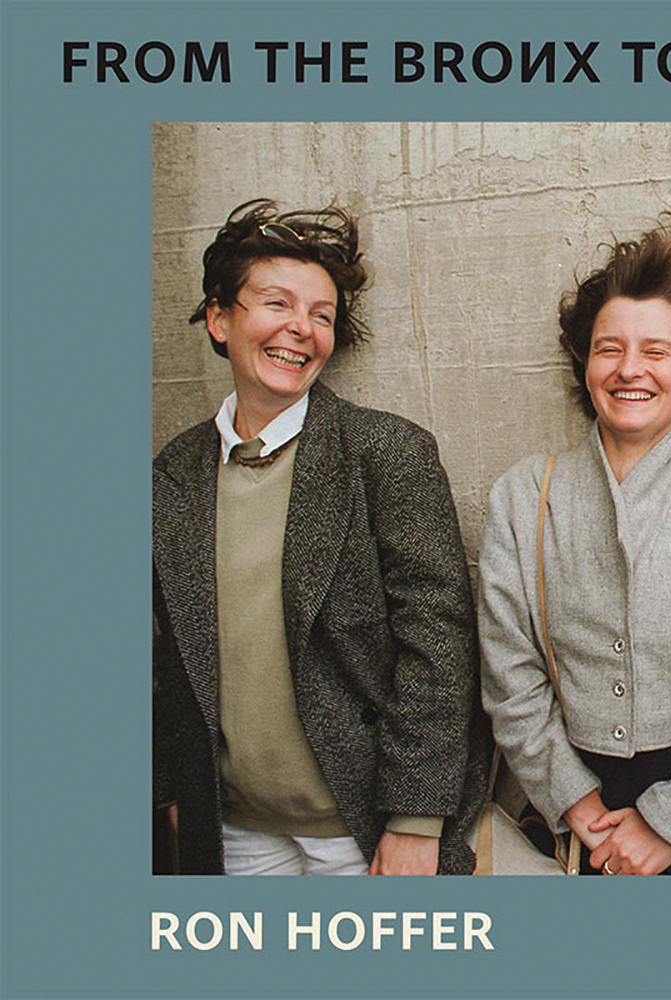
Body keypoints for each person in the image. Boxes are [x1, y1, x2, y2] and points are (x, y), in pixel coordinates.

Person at [152, 199, 487, 875]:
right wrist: (169, 794)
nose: (300, 329)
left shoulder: (386, 453)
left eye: (322, 314)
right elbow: (164, 661)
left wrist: (417, 817)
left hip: (362, 833)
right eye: (276, 303)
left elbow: (438, 643)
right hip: (233, 832)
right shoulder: (170, 474)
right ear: (219, 319)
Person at [477, 214, 671, 875]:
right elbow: (508, 671)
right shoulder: (523, 495)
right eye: (608, 348)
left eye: (656, 351)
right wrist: (574, 801)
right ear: (585, 365)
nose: (629, 369)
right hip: (568, 804)